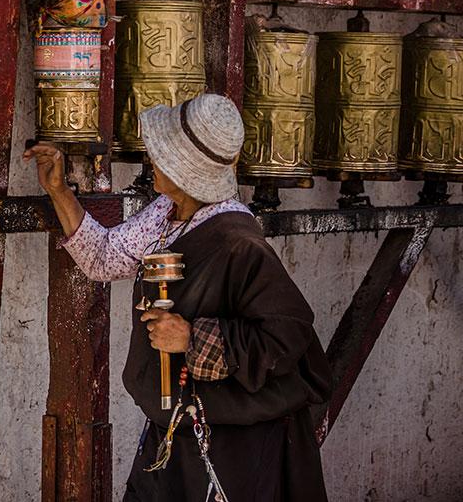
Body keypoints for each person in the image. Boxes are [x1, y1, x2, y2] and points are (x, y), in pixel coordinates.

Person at [24, 93, 331, 502]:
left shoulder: (239, 245)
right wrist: (59, 190)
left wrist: (193, 338)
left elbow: (288, 336)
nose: (152, 160)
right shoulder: (168, 213)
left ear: (183, 171)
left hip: (231, 445)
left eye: (161, 155)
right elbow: (103, 259)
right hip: (177, 431)